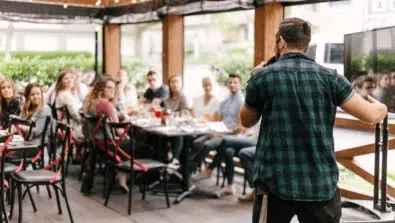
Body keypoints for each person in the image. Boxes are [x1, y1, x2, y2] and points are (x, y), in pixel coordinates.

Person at [241, 18, 387, 223]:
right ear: (306, 44)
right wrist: (383, 107)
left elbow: (246, 120)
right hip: (320, 184)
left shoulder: (263, 77)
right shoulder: (331, 77)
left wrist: (253, 80)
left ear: (281, 42)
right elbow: (372, 115)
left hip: (274, 183)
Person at [191, 74, 245, 178]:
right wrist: (214, 130)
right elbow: (219, 120)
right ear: (227, 84)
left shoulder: (242, 101)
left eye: (235, 82)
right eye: (230, 82)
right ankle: (192, 169)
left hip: (231, 135)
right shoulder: (226, 100)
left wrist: (220, 134)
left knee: (207, 145)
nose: (232, 84)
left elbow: (240, 128)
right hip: (220, 131)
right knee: (196, 142)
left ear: (240, 84)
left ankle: (188, 170)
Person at [83, 75, 131, 192]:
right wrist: (127, 127)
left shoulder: (94, 102)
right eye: (109, 88)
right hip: (109, 143)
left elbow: (110, 120)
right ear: (101, 89)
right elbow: (118, 130)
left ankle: (120, 175)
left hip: (97, 142)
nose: (112, 90)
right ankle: (123, 175)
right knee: (139, 145)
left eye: (113, 88)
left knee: (132, 143)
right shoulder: (106, 105)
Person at [163, 74, 192, 168]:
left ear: (181, 84)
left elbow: (184, 115)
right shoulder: (166, 99)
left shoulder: (184, 97)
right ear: (169, 85)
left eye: (177, 81)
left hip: (182, 129)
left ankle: (175, 160)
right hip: (168, 128)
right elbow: (164, 115)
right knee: (158, 137)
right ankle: (162, 162)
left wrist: (171, 114)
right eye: (173, 82)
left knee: (179, 134)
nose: (175, 84)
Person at [51, 69, 84, 142]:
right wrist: (85, 121)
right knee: (94, 134)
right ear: (61, 82)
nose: (70, 80)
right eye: (66, 78)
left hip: (68, 126)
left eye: (71, 78)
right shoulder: (65, 95)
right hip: (71, 128)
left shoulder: (68, 93)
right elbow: (75, 114)